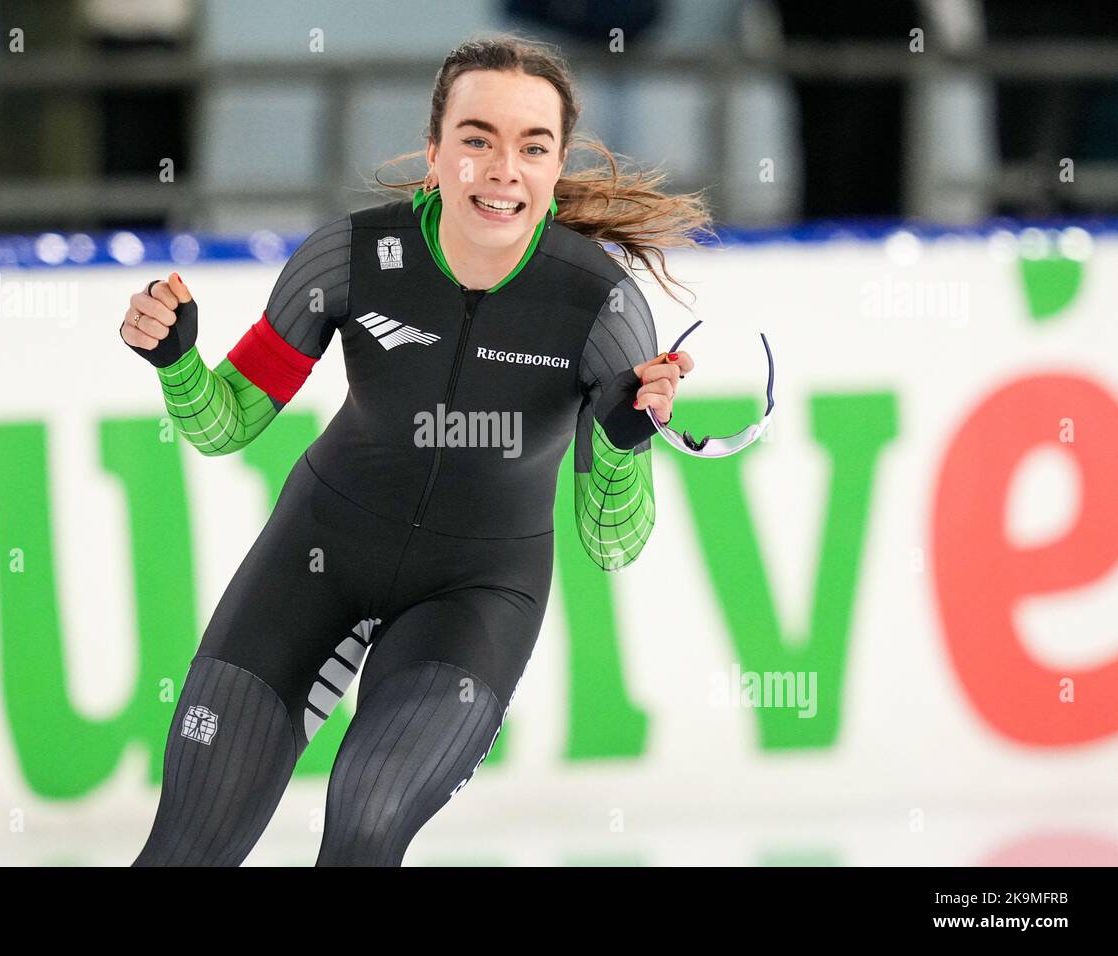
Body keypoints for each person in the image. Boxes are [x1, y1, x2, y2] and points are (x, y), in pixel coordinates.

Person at [120, 33, 711, 867]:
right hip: (318, 551)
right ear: (434, 152)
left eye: (531, 147)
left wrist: (618, 446)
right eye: (477, 139)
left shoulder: (600, 308)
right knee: (183, 849)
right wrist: (177, 361)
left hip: (474, 596)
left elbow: (614, 544)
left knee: (368, 818)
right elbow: (224, 425)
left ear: (554, 165)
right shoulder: (349, 259)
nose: (503, 168)